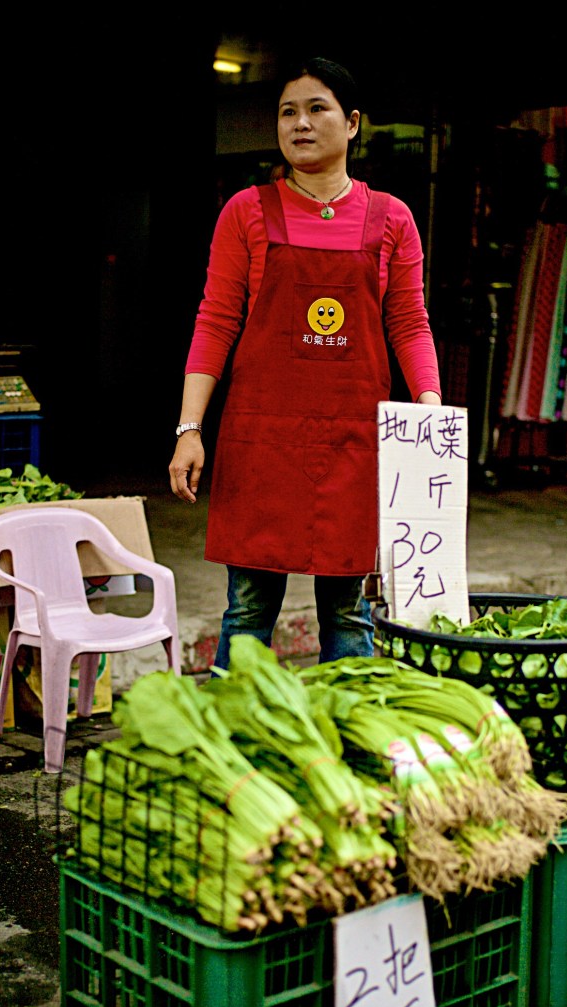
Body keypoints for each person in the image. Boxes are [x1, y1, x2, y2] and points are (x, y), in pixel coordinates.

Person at [169, 55, 442, 671]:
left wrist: (428, 408)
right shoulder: (246, 211)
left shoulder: (392, 218)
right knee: (248, 608)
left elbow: (409, 322)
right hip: (262, 440)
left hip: (352, 441)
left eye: (317, 109)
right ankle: (236, 744)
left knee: (349, 612)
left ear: (351, 124)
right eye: (287, 111)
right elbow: (215, 320)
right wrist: (190, 430)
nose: (299, 123)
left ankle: (351, 741)